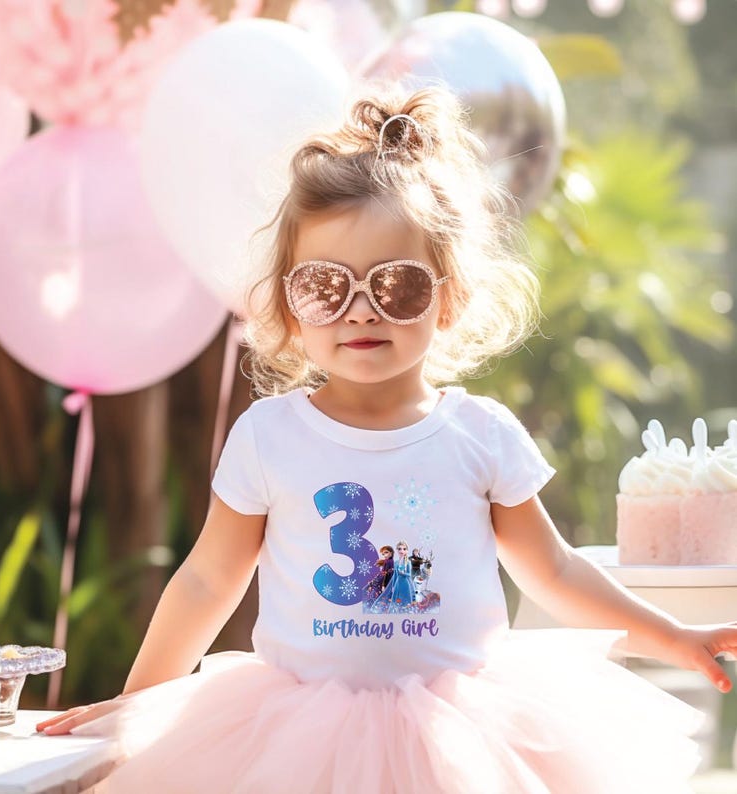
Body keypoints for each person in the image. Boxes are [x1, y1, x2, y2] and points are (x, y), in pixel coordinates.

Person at [38, 85, 737, 793]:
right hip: (296, 741)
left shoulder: (480, 434)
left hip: (461, 745)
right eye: (324, 287)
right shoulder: (270, 435)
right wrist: (138, 703)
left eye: (398, 286)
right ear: (289, 303)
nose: (360, 309)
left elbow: (553, 571)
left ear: (449, 296)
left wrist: (673, 639)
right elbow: (207, 579)